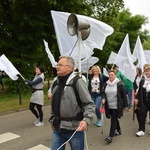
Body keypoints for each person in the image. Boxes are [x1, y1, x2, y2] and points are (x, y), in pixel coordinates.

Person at [48, 56, 95, 150]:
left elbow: (89, 104)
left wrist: (86, 120)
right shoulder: (56, 82)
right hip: (58, 129)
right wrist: (53, 119)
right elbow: (55, 103)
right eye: (57, 64)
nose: (57, 66)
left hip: (75, 129)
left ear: (69, 67)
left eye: (60, 65)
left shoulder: (78, 81)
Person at [102, 70, 128, 143]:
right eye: (109, 75)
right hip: (108, 105)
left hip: (117, 106)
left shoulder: (119, 84)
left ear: (115, 75)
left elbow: (124, 96)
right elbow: (103, 92)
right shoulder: (105, 84)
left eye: (112, 75)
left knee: (113, 120)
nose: (110, 76)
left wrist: (126, 105)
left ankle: (110, 136)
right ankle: (119, 130)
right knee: (114, 118)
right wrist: (103, 98)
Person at [134, 64, 150, 136]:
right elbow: (140, 90)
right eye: (146, 71)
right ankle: (141, 130)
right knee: (140, 115)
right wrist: (137, 98)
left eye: (148, 71)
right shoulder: (142, 80)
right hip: (143, 102)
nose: (147, 72)